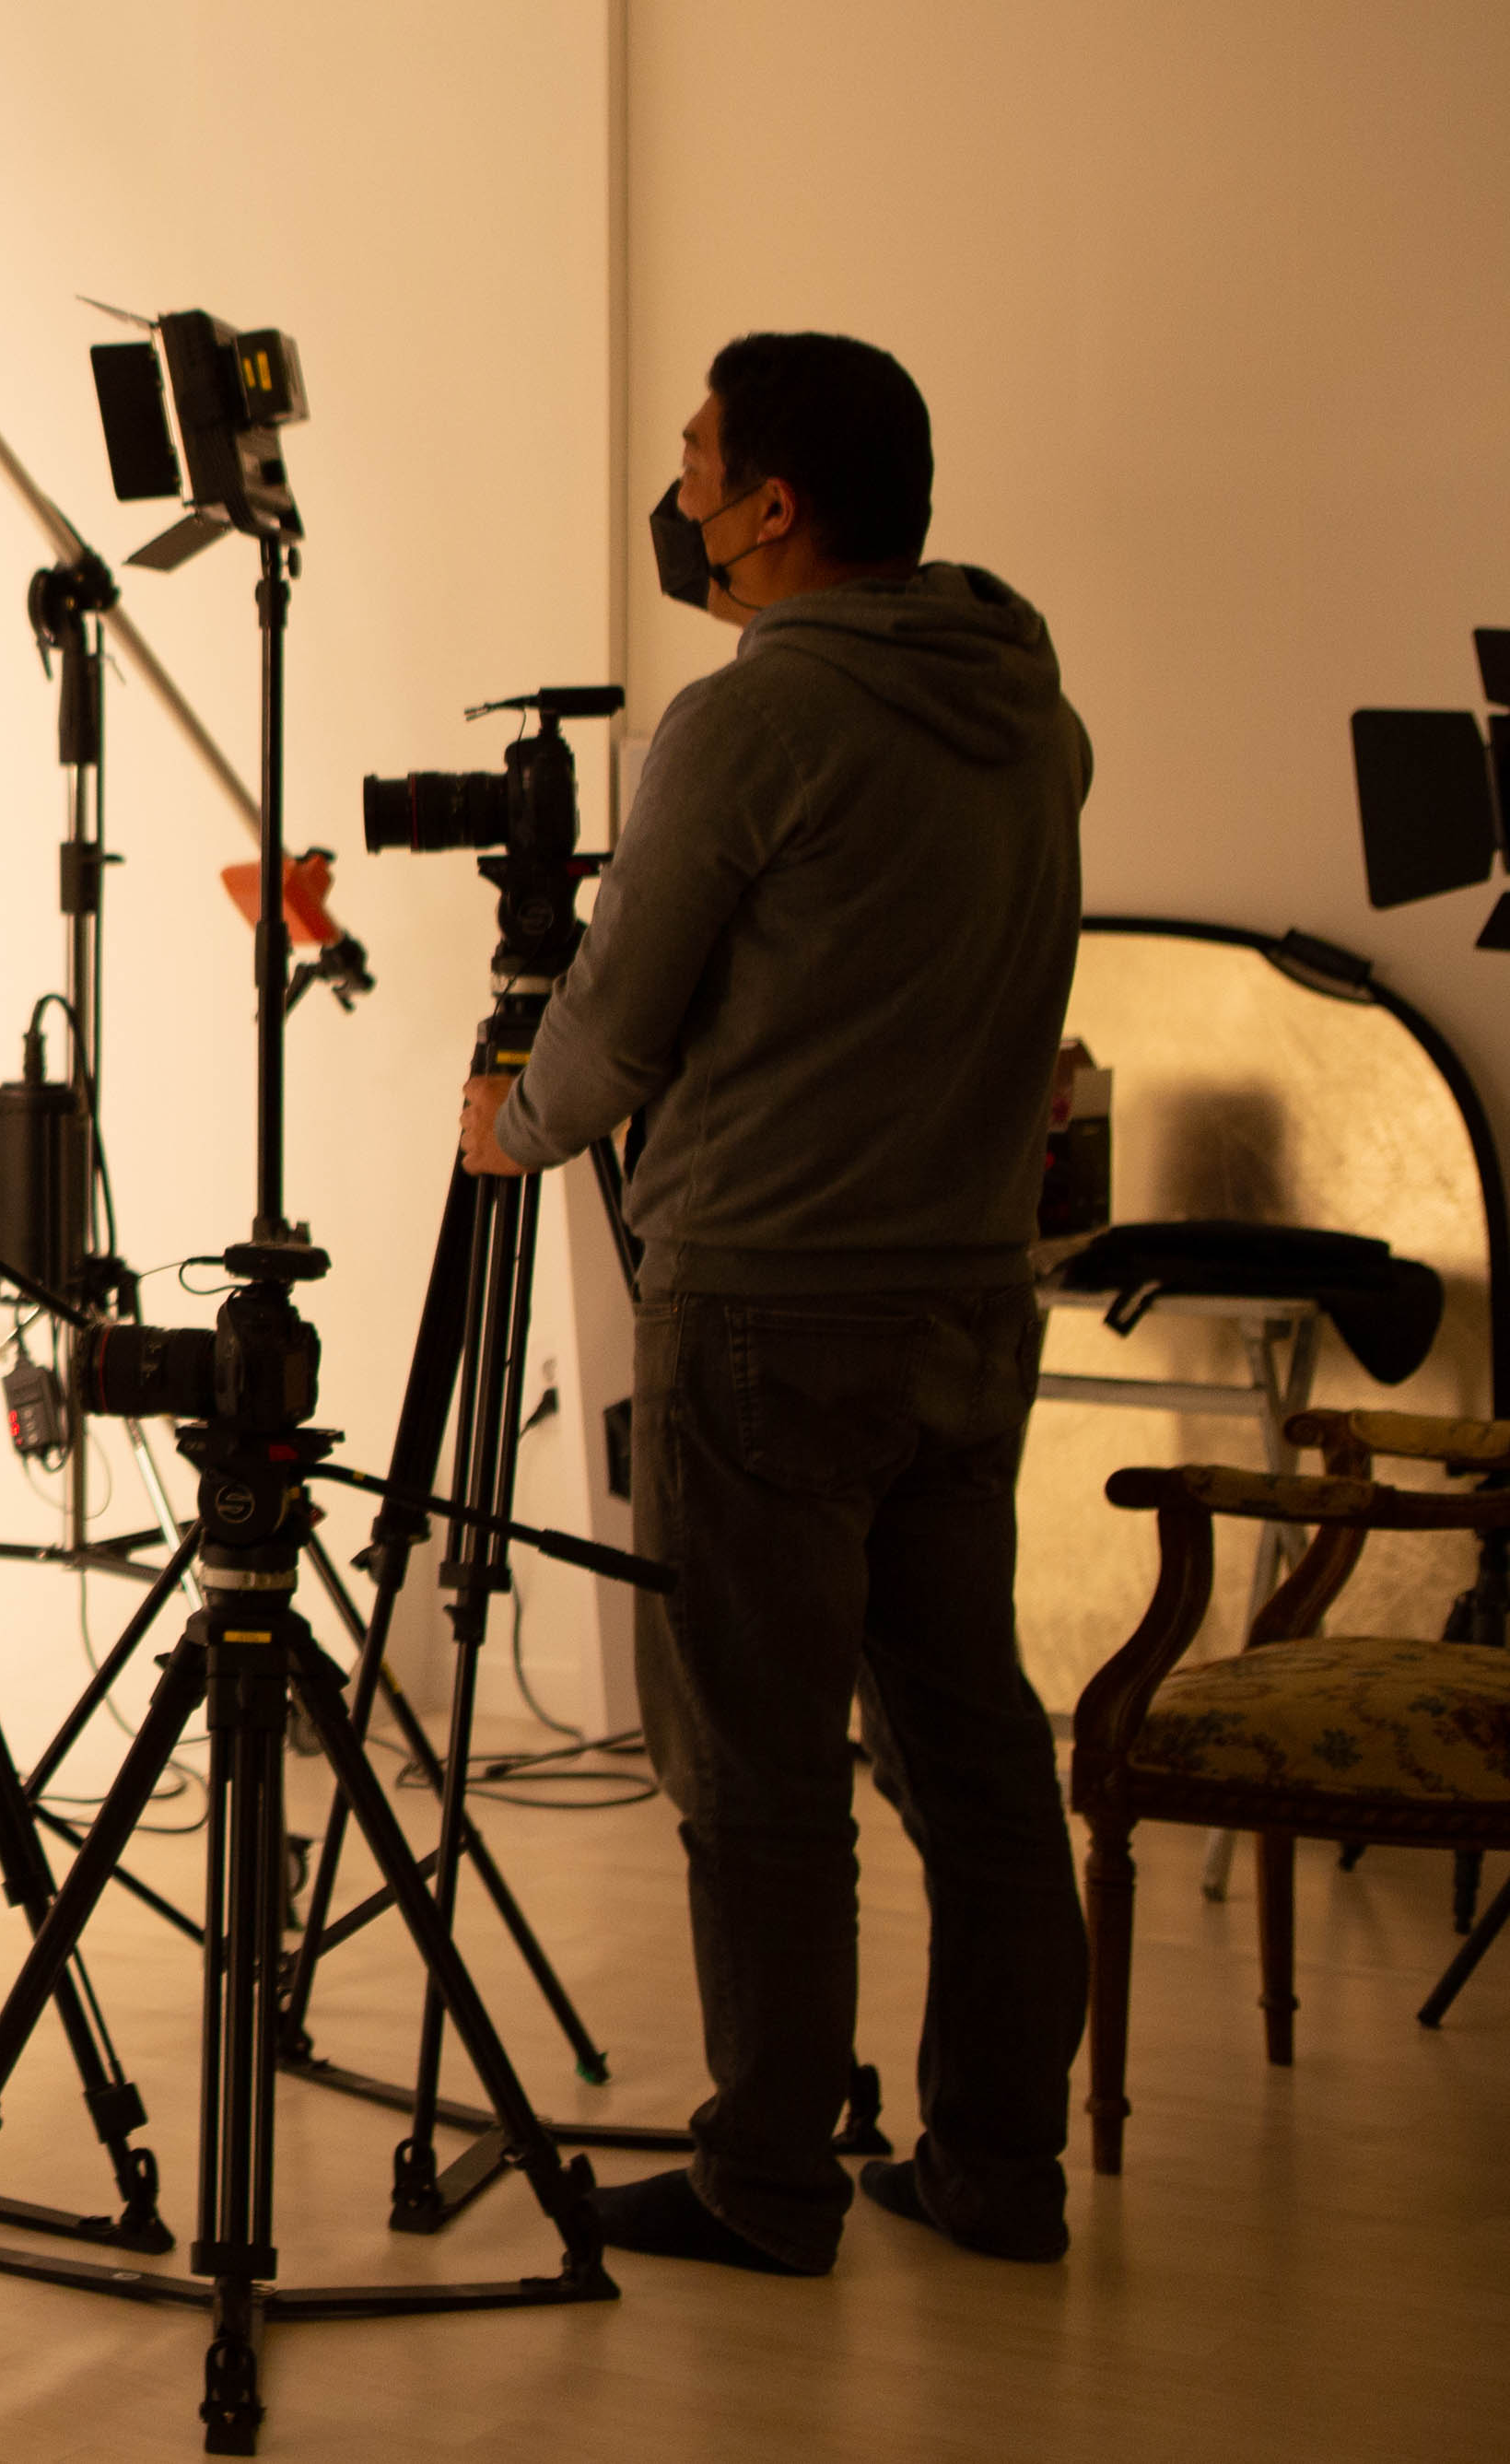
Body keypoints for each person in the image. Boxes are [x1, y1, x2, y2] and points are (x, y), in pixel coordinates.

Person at [463, 330, 1094, 2276]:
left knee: (757, 1772)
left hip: (763, 1306)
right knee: (970, 1751)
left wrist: (513, 1122)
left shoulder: (750, 721)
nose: (674, 495)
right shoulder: (1026, 702)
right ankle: (995, 2164)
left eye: (693, 462)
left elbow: (614, 1019)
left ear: (768, 505)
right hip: (965, 1299)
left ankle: (763, 2177)